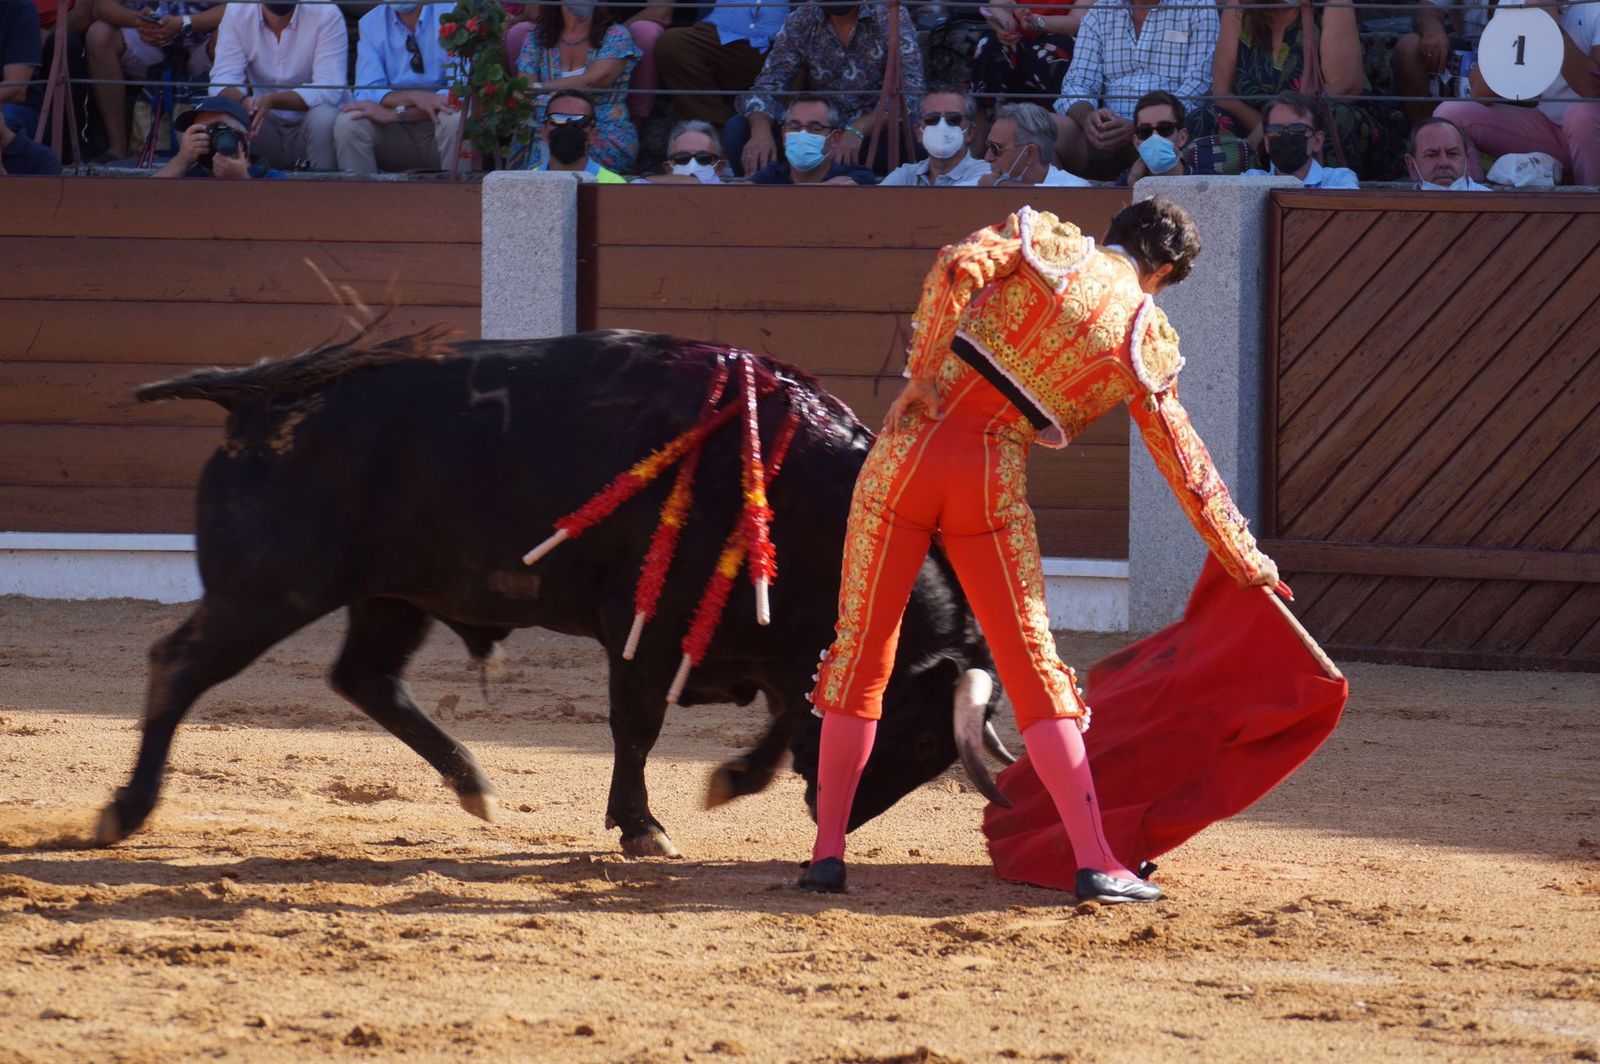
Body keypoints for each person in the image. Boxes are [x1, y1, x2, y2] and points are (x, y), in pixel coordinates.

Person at [801, 197, 1280, 900]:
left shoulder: (1046, 242)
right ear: (1164, 271)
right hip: (989, 477)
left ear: (1113, 233)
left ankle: (826, 855)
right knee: (1032, 666)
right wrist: (1245, 557)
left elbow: (957, 264)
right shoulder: (1142, 332)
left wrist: (926, 375)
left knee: (862, 651)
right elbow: (1186, 462)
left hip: (905, 454)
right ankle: (1093, 860)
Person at [1188, 0, 1396, 180]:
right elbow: (1222, 92)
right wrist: (1271, 129)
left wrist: (1269, 127)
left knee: (1336, 117)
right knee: (1203, 119)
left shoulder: (1331, 4)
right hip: (1252, 119)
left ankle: (1323, 202)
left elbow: (1343, 87)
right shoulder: (1240, 5)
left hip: (1315, 115)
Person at [728, 0, 925, 177]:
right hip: (814, 132)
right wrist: (761, 132)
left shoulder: (890, 15)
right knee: (738, 130)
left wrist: (858, 130)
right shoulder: (801, 20)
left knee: (916, 133)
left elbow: (911, 92)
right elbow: (768, 85)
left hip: (872, 135)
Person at [1435, 2, 1600, 187]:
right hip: (1552, 129)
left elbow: (1591, 89)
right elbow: (1481, 92)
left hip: (1591, 129)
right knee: (1449, 114)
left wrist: (1552, 26)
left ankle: (1590, 208)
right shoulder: (1514, 3)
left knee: (1581, 114)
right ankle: (1475, 204)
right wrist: (1521, 22)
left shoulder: (1594, 8)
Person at [1051, 0, 1217, 181]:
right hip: (1105, 135)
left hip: (1163, 135)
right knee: (1033, 127)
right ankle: (1067, 200)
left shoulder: (1197, 6)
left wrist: (1139, 128)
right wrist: (1089, 119)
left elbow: (1199, 85)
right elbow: (1077, 83)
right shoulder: (1101, 11)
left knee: (1160, 142)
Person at [208, 0, 347, 172]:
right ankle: (245, 193)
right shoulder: (238, 10)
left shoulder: (326, 12)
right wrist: (245, 102)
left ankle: (325, 194)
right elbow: (222, 79)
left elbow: (330, 88)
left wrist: (273, 101)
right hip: (264, 124)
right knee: (232, 117)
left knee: (323, 118)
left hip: (308, 124)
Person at [84, 0, 225, 161]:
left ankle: (226, 147)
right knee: (99, 34)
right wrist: (137, 20)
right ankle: (117, 147)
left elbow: (240, 7)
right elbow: (101, 7)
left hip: (202, 44)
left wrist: (184, 22)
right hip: (148, 39)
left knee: (228, 34)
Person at [335, 1, 461, 174]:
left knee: (456, 118)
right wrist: (414, 97)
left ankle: (459, 198)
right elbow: (367, 90)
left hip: (439, 125)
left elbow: (461, 93)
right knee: (349, 123)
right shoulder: (370, 22)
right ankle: (361, 199)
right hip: (396, 134)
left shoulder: (454, 14)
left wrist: (394, 114)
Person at [515, 0, 640, 172]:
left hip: (601, 130)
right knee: (540, 117)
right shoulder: (536, 37)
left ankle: (543, 172)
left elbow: (592, 81)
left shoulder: (616, 35)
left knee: (544, 112)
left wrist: (540, 90)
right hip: (548, 128)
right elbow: (524, 87)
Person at [654, 0, 788, 128]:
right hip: (717, 35)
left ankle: (794, 131)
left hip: (776, 45)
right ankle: (716, 132)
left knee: (801, 48)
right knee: (672, 43)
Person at [970, 0, 1087, 128]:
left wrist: (1037, 22)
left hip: (1062, 36)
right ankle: (982, 133)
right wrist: (1003, 26)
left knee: (1043, 54)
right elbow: (998, 7)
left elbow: (1076, 22)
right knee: (989, 46)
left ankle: (1067, 130)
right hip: (1019, 37)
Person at [1393, 0, 1488, 128]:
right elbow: (1428, 7)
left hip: (1511, 58)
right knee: (1409, 48)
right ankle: (1425, 136)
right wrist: (1432, 28)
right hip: (1467, 55)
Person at [746, 94, 876, 184]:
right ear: (783, 134)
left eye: (815, 128)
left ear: (835, 138)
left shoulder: (857, 176)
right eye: (795, 127)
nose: (803, 134)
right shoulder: (770, 175)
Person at [1244, 90, 1360, 188]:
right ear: (1267, 142)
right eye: (1276, 130)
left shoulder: (1339, 181)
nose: (1285, 137)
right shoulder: (1249, 182)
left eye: (1297, 129)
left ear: (1317, 141)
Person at [879, 86, 990, 186]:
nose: (942, 126)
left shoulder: (985, 174)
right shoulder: (905, 176)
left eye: (953, 119)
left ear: (970, 132)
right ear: (918, 132)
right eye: (931, 119)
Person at [151, 94, 279, 178]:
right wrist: (182, 160)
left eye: (218, 128)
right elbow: (148, 198)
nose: (209, 137)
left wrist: (242, 179)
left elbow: (275, 215)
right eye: (201, 131)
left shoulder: (270, 178)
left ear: (247, 136)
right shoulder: (189, 175)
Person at [976, 100, 1088, 186]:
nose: (987, 157)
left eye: (995, 148)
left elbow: (1052, 197)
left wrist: (999, 185)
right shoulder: (984, 179)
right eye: (988, 146)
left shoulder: (1075, 188)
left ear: (1030, 153)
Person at [534, 89, 626, 182]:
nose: (568, 126)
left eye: (579, 121)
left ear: (594, 134)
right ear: (543, 133)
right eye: (557, 118)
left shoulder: (614, 184)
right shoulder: (526, 181)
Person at [1122, 89, 1189, 184]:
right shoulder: (1124, 184)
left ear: (1182, 137)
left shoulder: (1209, 181)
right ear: (1136, 143)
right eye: (1145, 131)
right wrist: (1134, 184)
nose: (1155, 137)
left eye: (1165, 128)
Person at [1405, 115, 1488, 191]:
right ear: (1411, 166)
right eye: (1432, 155)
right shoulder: (1400, 206)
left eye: (1452, 154)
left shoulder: (1494, 204)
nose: (1444, 163)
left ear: (1468, 161)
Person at [634, 118, 729, 183]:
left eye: (704, 158)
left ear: (719, 167)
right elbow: (636, 185)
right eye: (682, 158)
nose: (693, 164)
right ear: (668, 168)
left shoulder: (732, 194)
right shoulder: (649, 189)